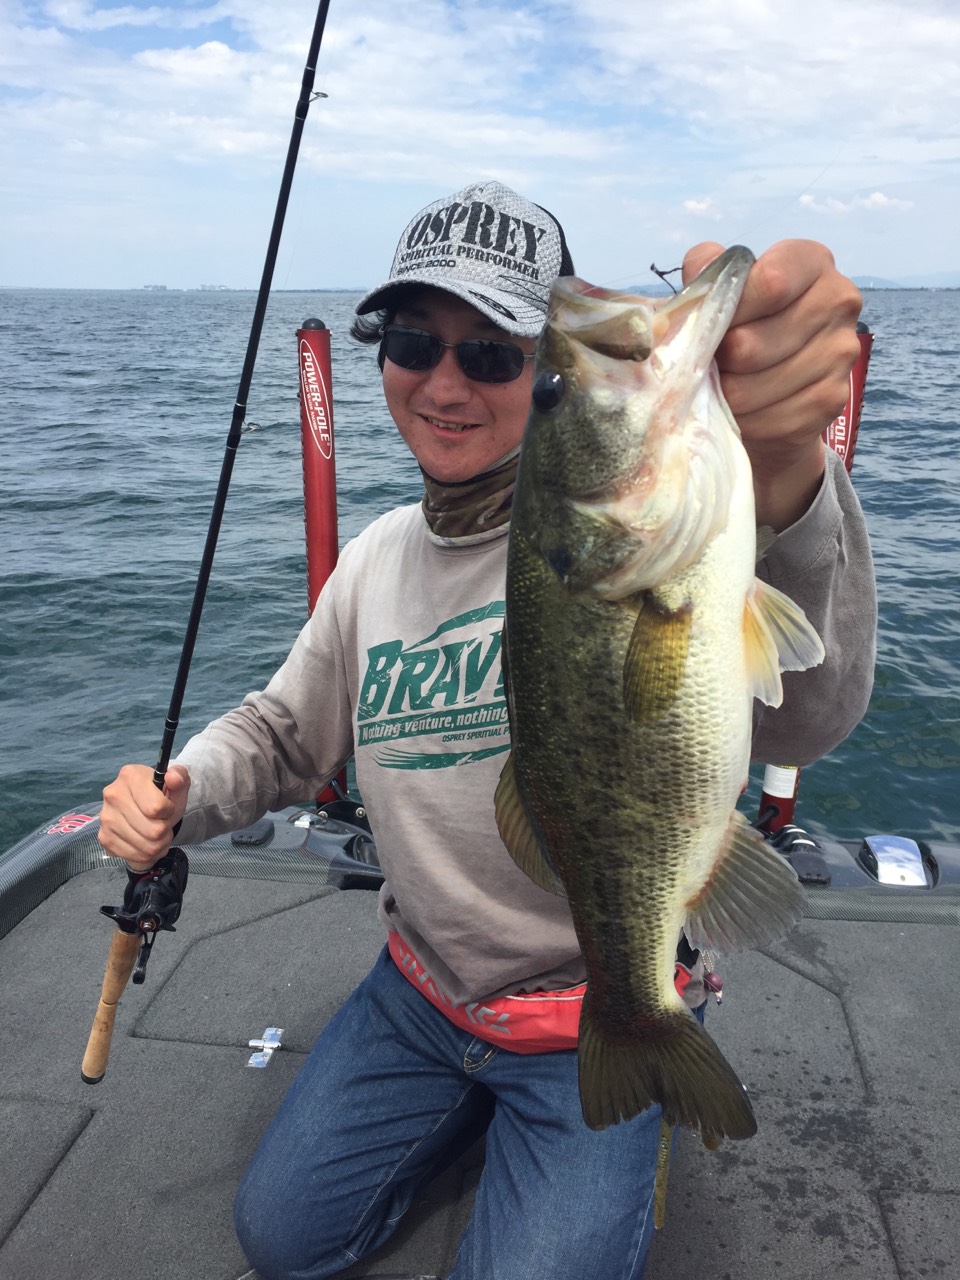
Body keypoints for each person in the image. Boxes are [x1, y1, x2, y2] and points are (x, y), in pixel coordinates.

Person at [98, 180, 876, 1280]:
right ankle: (466, 1098)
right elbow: (279, 731)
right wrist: (183, 790)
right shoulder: (375, 559)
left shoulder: (658, 535)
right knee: (281, 1235)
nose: (446, 381)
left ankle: (636, 1043)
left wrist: (789, 472)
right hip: (417, 990)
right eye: (415, 342)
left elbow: (810, 712)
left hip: (585, 1006)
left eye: (501, 358)